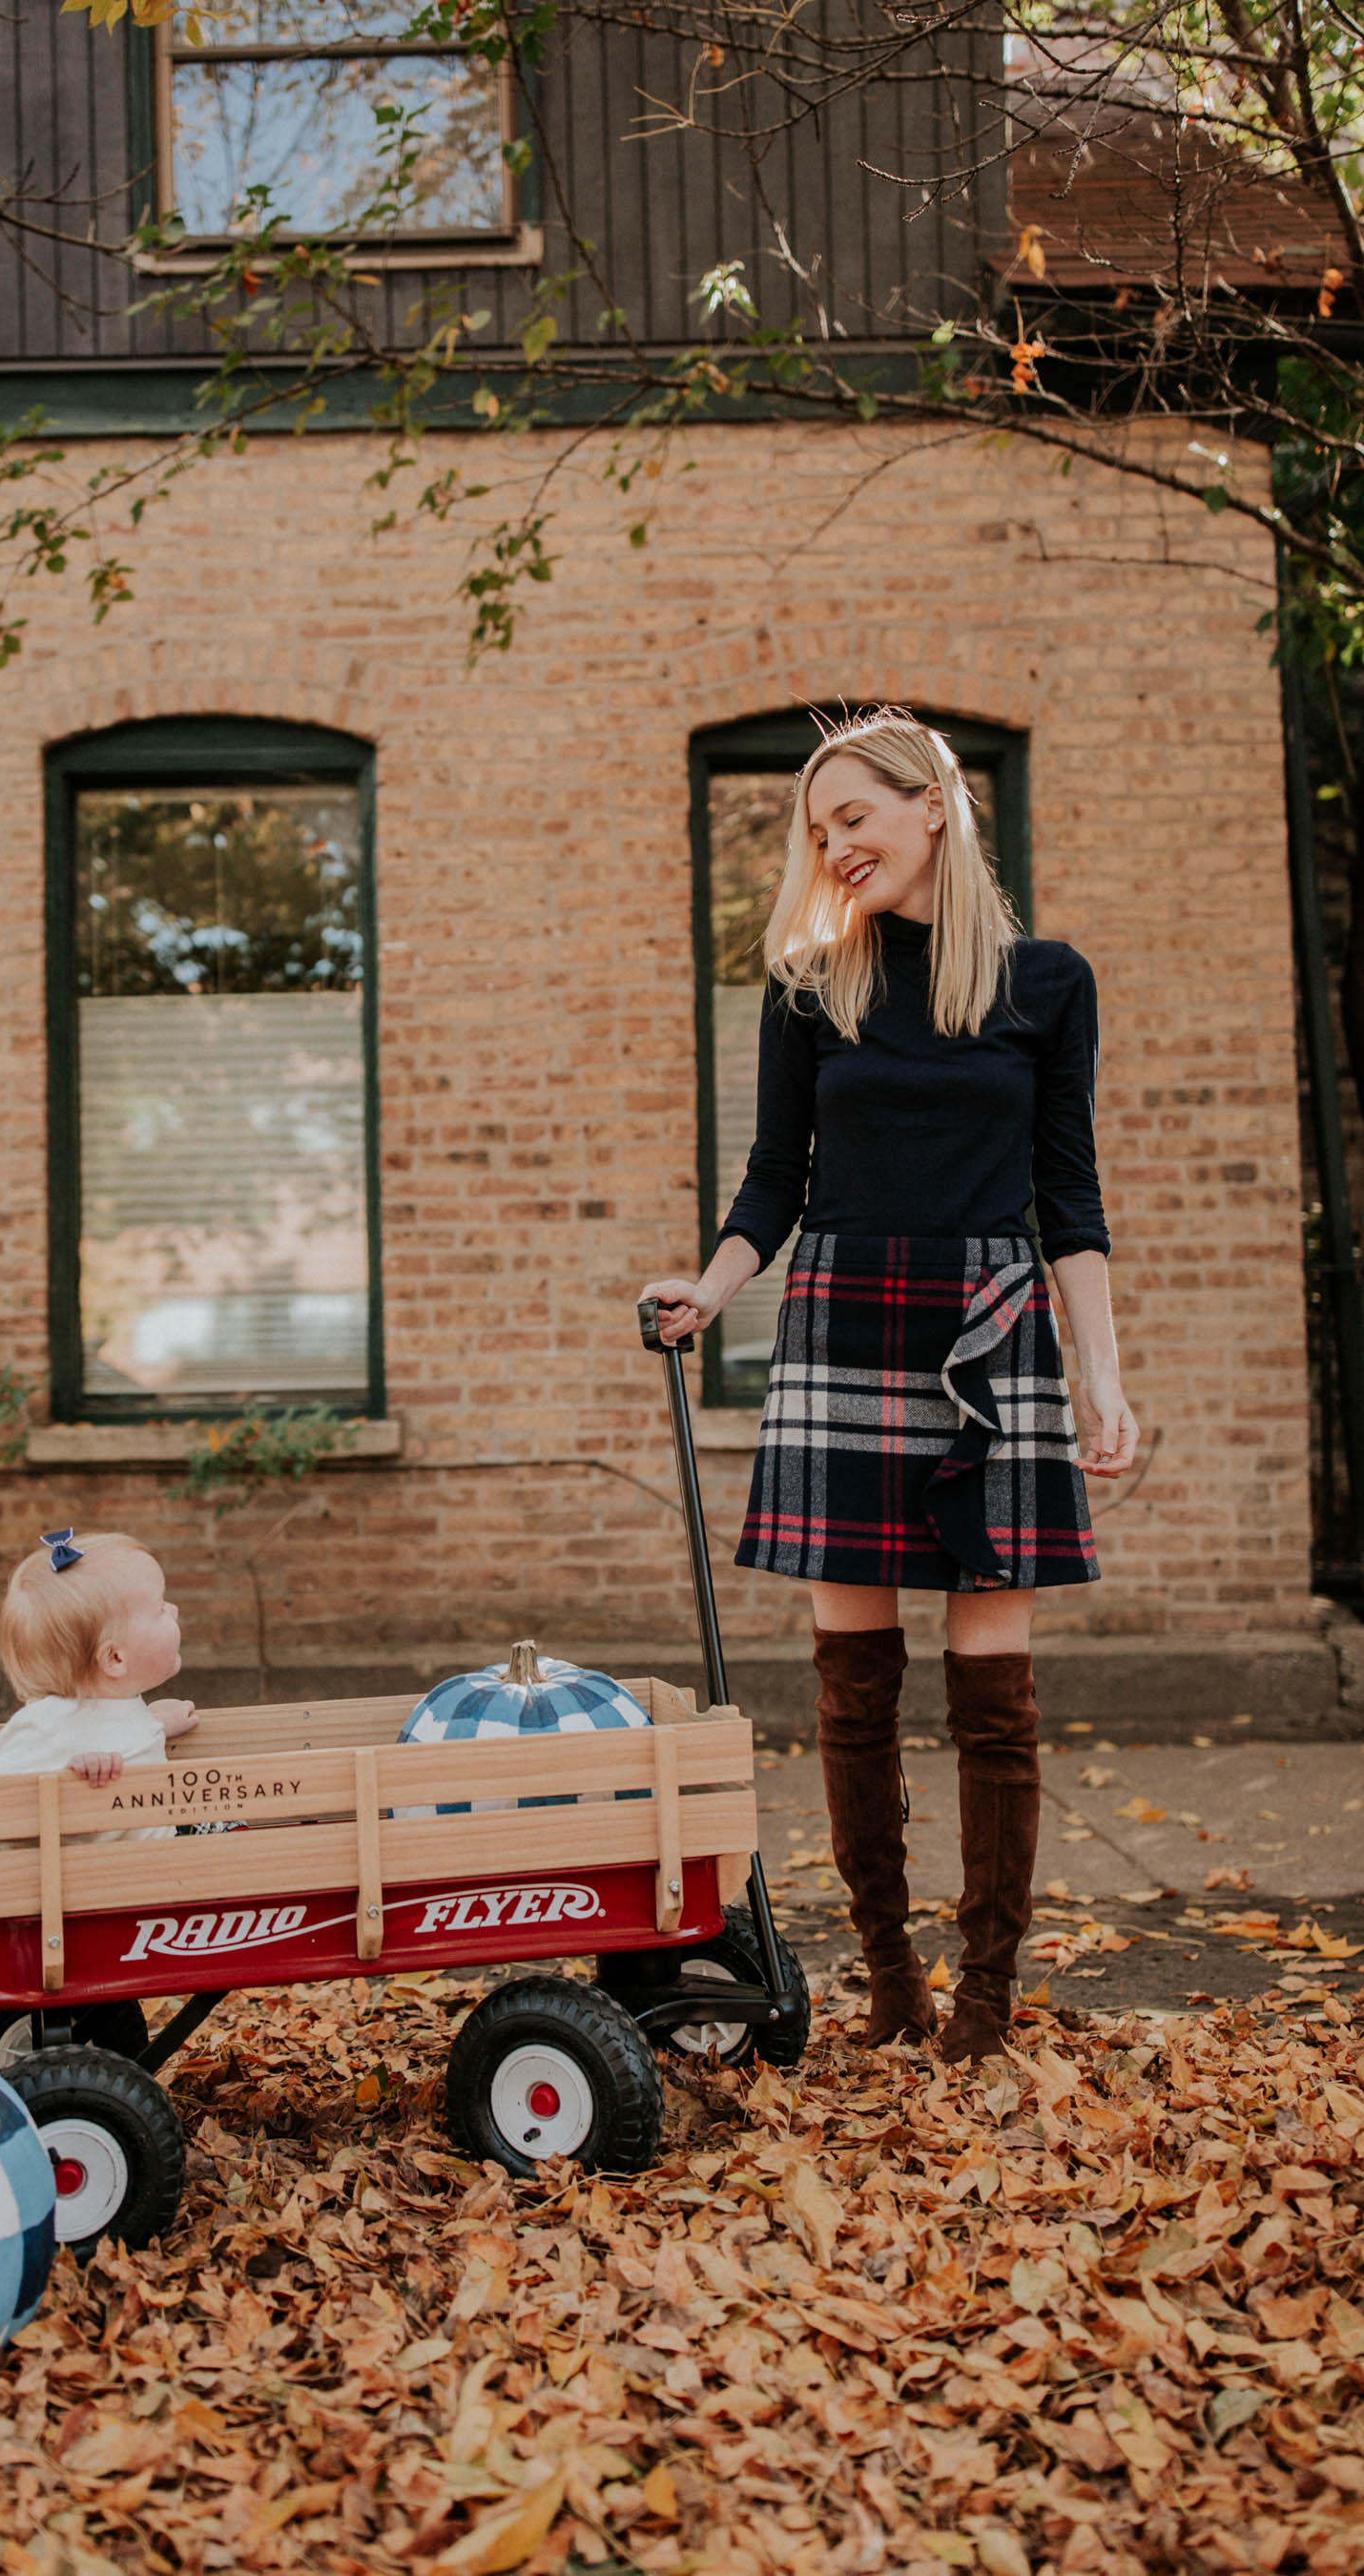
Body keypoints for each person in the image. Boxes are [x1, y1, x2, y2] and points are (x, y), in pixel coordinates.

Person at [644, 709, 1138, 2064]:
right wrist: (712, 1286)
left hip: (993, 1327)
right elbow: (774, 1183)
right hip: (846, 1324)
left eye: (853, 817)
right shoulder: (813, 987)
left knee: (997, 1695)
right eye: (819, 831)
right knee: (855, 1689)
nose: (834, 847)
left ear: (935, 808)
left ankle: (983, 2003)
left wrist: (1103, 1380)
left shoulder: (1046, 984)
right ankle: (889, 1980)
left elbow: (1070, 1197)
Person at [0, 1529, 200, 1839]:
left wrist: (155, 1725)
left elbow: (113, 1738)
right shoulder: (49, 1726)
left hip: (156, 1865)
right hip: (108, 1881)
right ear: (114, 1659)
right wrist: (68, 1780)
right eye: (159, 1609)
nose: (174, 1610)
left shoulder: (111, 1705)